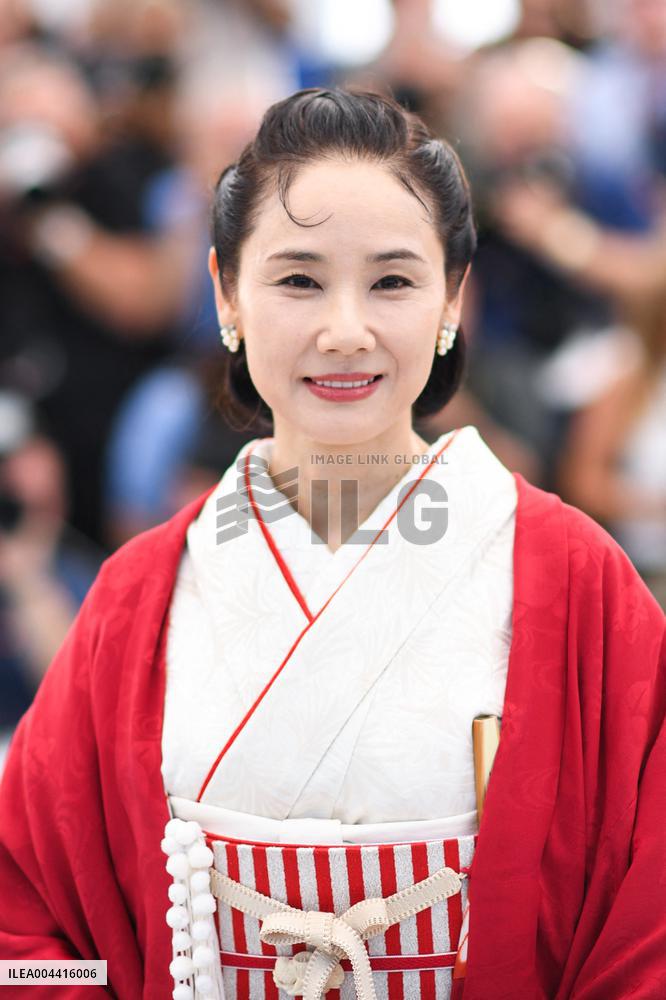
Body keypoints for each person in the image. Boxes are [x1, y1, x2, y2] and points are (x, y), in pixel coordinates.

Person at [0, 87, 664, 1000]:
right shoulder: (139, 595)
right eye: (298, 279)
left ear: (452, 299)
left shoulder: (572, 577)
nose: (345, 331)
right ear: (226, 293)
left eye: (392, 280)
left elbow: (648, 930)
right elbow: (30, 931)